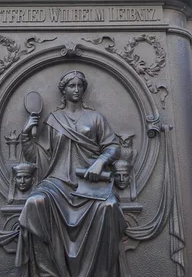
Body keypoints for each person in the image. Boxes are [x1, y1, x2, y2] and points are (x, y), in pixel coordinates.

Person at [16, 70, 129, 276]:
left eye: (79, 86)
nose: (76, 89)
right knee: (34, 202)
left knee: (110, 206)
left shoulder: (95, 118)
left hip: (89, 184)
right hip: (57, 182)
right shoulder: (54, 120)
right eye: (71, 86)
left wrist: (101, 162)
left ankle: (100, 272)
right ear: (64, 90)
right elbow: (40, 157)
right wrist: (26, 135)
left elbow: (113, 146)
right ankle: (47, 272)